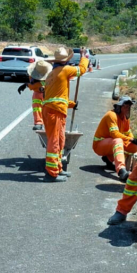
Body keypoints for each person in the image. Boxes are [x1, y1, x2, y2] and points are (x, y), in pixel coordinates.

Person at [41, 47, 88, 182]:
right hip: (54, 111)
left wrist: (72, 104)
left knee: (60, 141)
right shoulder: (65, 70)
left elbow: (57, 96)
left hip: (55, 109)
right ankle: (52, 172)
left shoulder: (52, 73)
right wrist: (84, 57)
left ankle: (58, 167)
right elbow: (81, 70)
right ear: (65, 61)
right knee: (55, 142)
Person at [92, 96, 137, 182]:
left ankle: (109, 158)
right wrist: (128, 138)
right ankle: (121, 171)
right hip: (99, 145)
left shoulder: (125, 118)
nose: (127, 108)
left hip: (111, 143)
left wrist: (133, 140)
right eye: (125, 106)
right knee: (118, 141)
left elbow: (128, 132)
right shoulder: (111, 115)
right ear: (119, 106)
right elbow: (114, 134)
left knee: (134, 147)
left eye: (128, 106)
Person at [18, 60, 52, 131]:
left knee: (48, 108)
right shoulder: (32, 75)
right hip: (38, 93)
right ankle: (38, 122)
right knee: (36, 107)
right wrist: (26, 85)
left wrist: (45, 89)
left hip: (48, 93)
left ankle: (49, 123)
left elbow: (49, 84)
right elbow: (33, 84)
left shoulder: (51, 76)